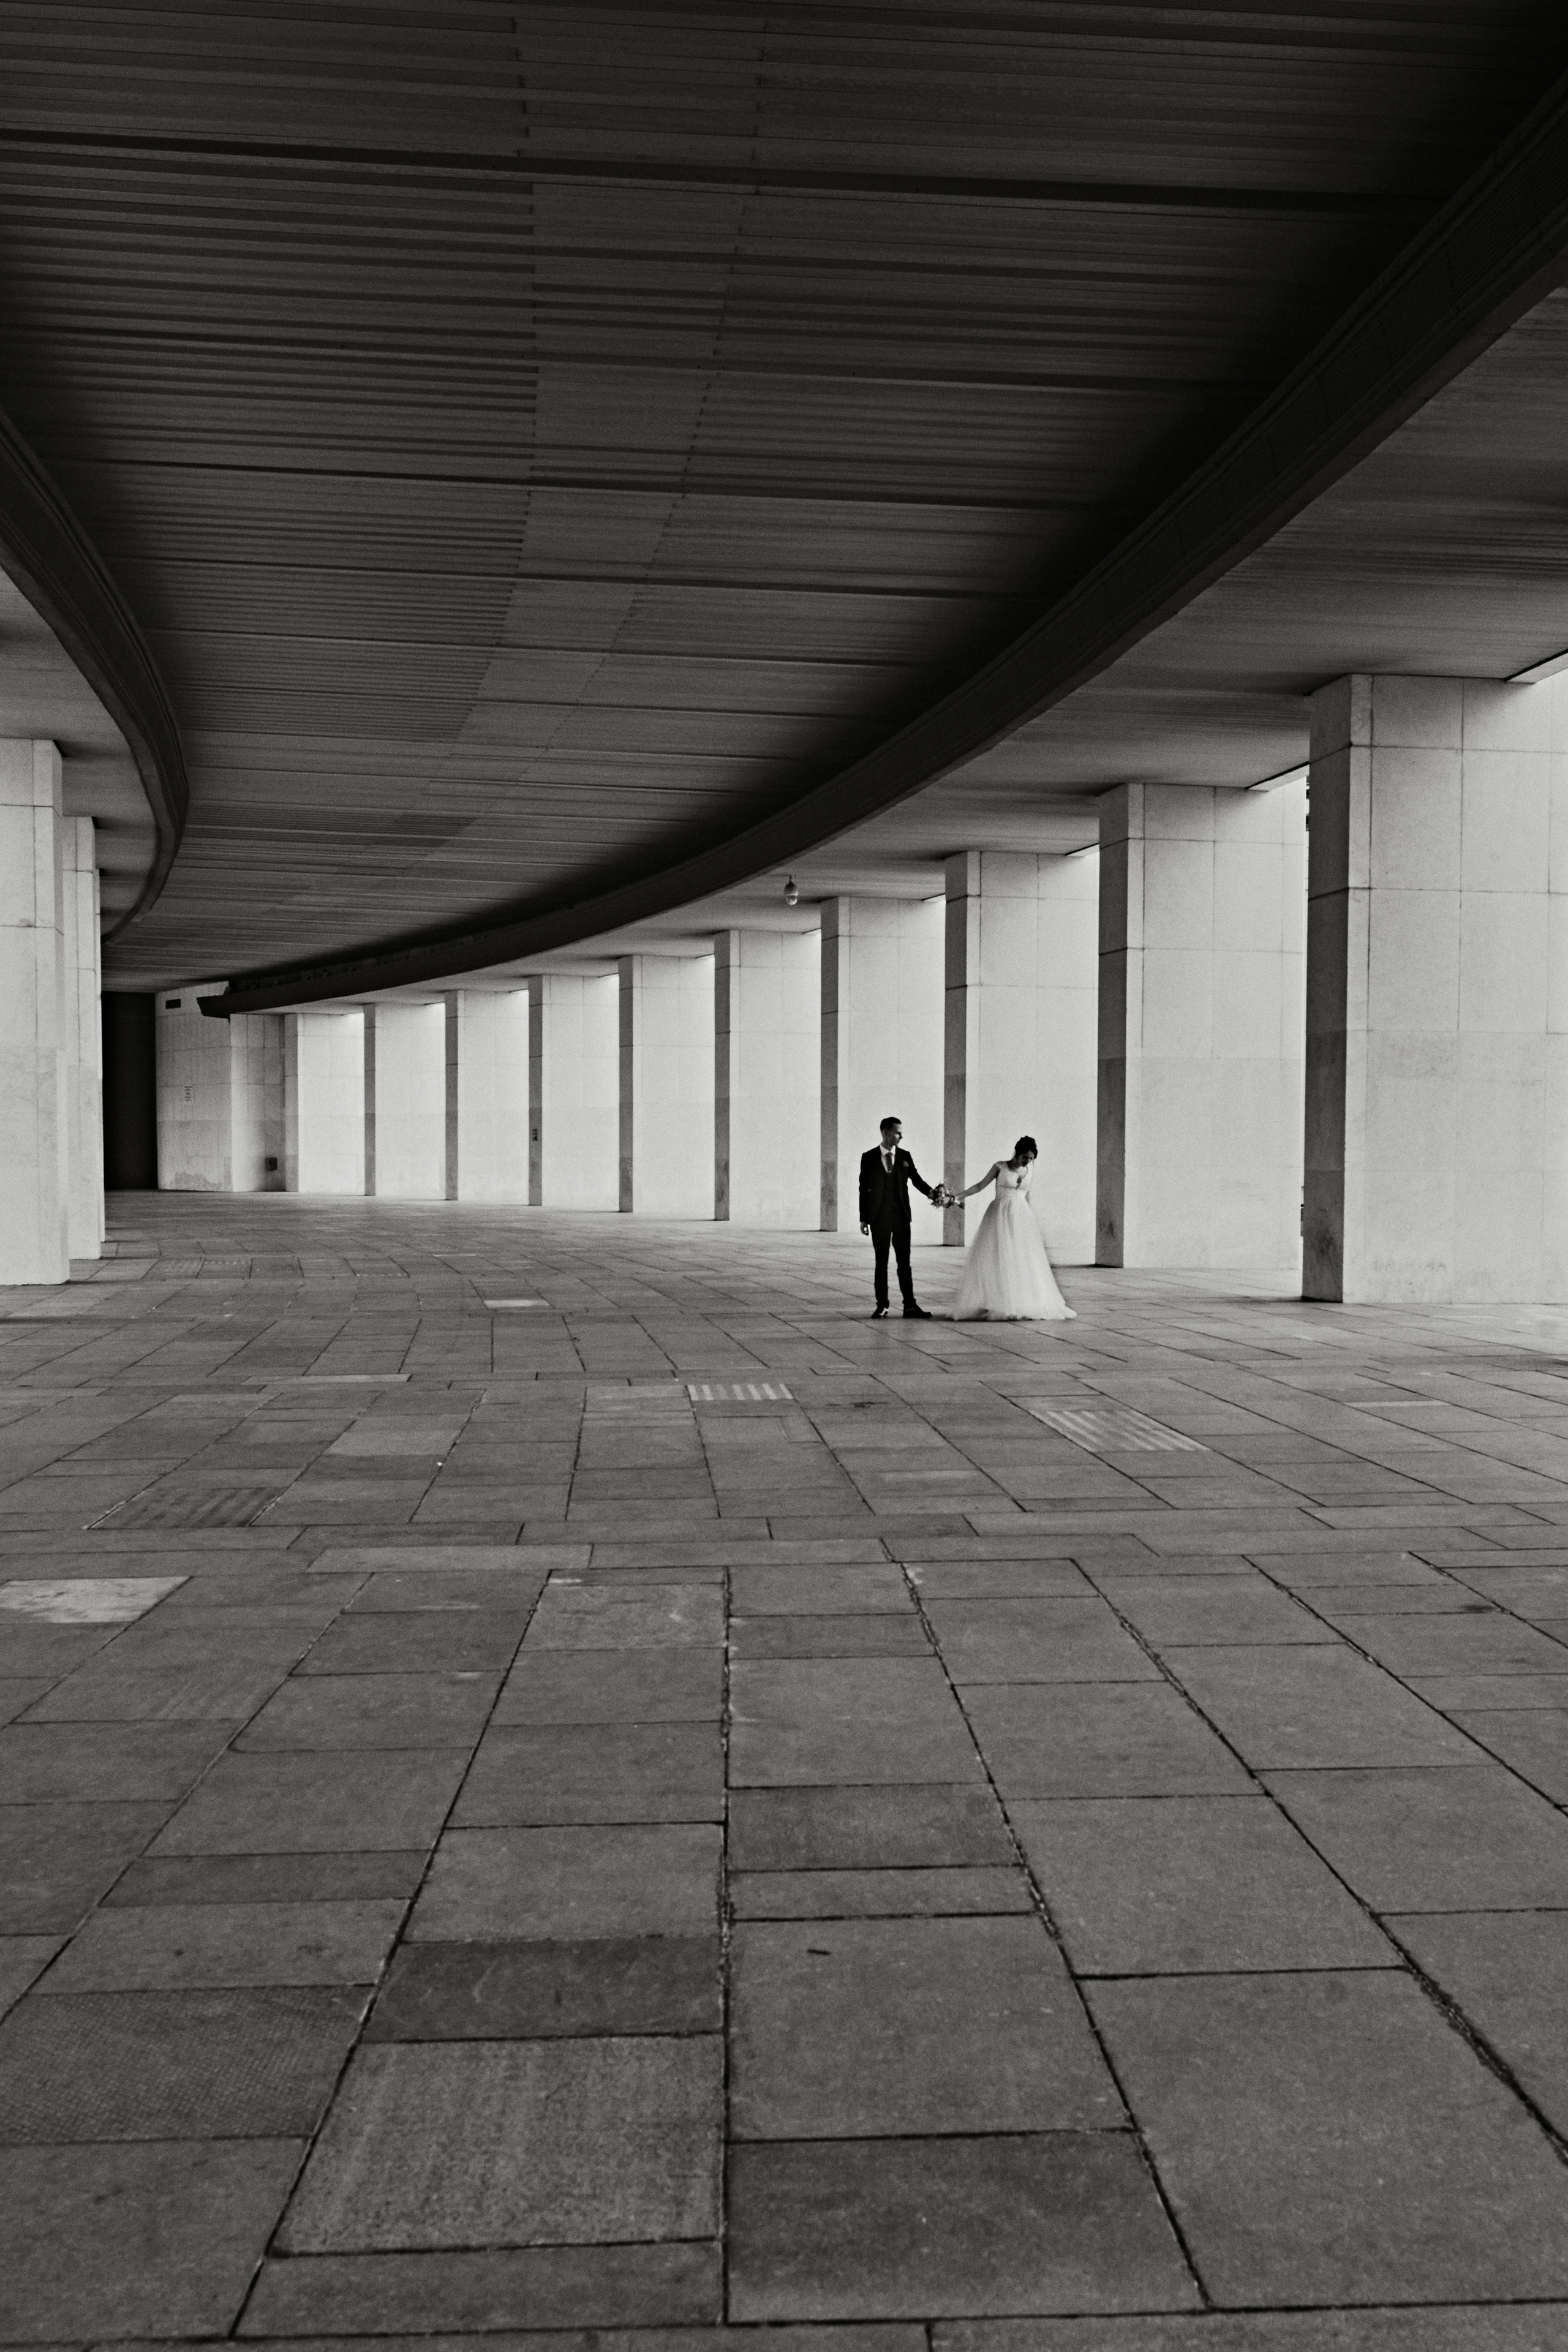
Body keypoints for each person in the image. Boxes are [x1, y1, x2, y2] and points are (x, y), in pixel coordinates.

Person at [950, 1134, 1076, 1321]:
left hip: (1022, 1216)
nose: (1028, 1161)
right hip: (999, 1214)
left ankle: (1024, 1301)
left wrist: (1031, 1222)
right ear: (1017, 1153)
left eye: (1031, 1159)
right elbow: (979, 1186)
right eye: (1025, 1157)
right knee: (998, 1256)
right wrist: (957, 1197)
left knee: (1023, 1259)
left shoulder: (1029, 1170)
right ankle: (999, 1301)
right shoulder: (1000, 1167)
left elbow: (1027, 1195)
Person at [859, 1115, 941, 1319]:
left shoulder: (905, 1156)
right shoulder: (869, 1157)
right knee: (881, 1262)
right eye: (898, 1133)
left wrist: (936, 1196)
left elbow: (917, 1180)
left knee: (904, 1262)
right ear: (886, 1133)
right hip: (879, 1218)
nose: (901, 1137)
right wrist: (864, 1218)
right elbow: (864, 1189)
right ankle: (882, 1305)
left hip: (901, 1216)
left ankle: (910, 1305)